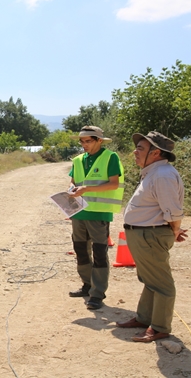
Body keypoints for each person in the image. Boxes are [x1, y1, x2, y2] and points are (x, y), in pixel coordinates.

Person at [116, 131, 186, 342]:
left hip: (151, 234)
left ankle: (160, 327)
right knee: (150, 279)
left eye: (141, 148)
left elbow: (172, 211)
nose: (135, 152)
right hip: (144, 234)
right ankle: (145, 318)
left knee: (161, 283)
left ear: (156, 153)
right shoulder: (154, 172)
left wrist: (174, 230)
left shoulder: (163, 175)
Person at [67, 126, 124, 310]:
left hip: (99, 213)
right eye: (82, 142)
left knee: (99, 252)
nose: (84, 145)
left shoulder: (111, 157)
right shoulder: (77, 160)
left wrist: (87, 190)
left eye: (88, 141)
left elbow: (114, 184)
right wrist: (71, 189)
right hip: (78, 213)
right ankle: (87, 285)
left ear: (99, 140)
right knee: (81, 249)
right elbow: (73, 181)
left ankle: (97, 293)